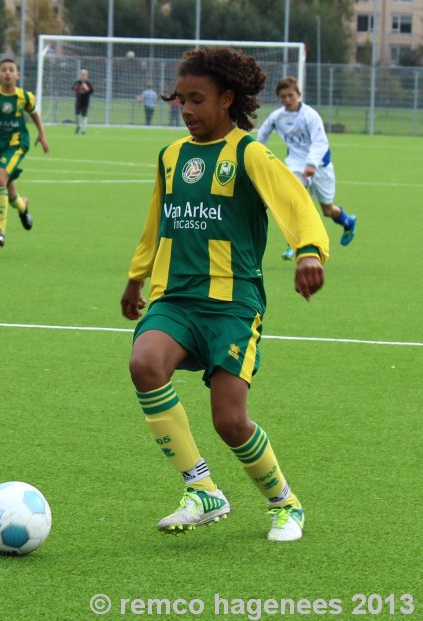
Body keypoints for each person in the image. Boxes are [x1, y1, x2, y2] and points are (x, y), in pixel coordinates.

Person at [120, 48, 329, 542]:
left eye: (198, 100)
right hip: (175, 297)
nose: (187, 110)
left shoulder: (248, 153)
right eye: (181, 101)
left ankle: (285, 503)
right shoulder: (171, 155)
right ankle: (202, 488)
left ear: (228, 99)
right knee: (144, 362)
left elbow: (295, 202)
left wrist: (309, 252)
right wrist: (136, 277)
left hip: (233, 304)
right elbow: (157, 221)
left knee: (230, 420)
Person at [257, 76, 356, 260]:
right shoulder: (277, 117)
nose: (287, 99)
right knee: (293, 199)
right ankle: (293, 244)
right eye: (283, 96)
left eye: (290, 95)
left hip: (320, 165)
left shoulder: (310, 115)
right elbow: (262, 135)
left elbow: (320, 142)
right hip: (295, 165)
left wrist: (311, 164)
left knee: (328, 210)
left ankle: (348, 221)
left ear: (299, 95)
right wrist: (253, 156)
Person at [0, 57, 49, 248]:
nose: (7, 73)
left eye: (11, 70)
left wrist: (42, 134)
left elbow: (34, 113)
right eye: (4, 69)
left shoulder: (25, 97)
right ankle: (22, 206)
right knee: (9, 192)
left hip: (17, 143)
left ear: (17, 74)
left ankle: (0, 230)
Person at [72, 69, 93, 135]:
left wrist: (86, 89)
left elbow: (91, 91)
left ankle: (83, 130)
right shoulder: (78, 82)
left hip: (85, 102)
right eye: (82, 75)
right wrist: (77, 87)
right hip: (78, 101)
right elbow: (73, 88)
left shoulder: (88, 83)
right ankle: (78, 126)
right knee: (77, 114)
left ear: (87, 76)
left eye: (84, 75)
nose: (83, 76)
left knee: (84, 115)